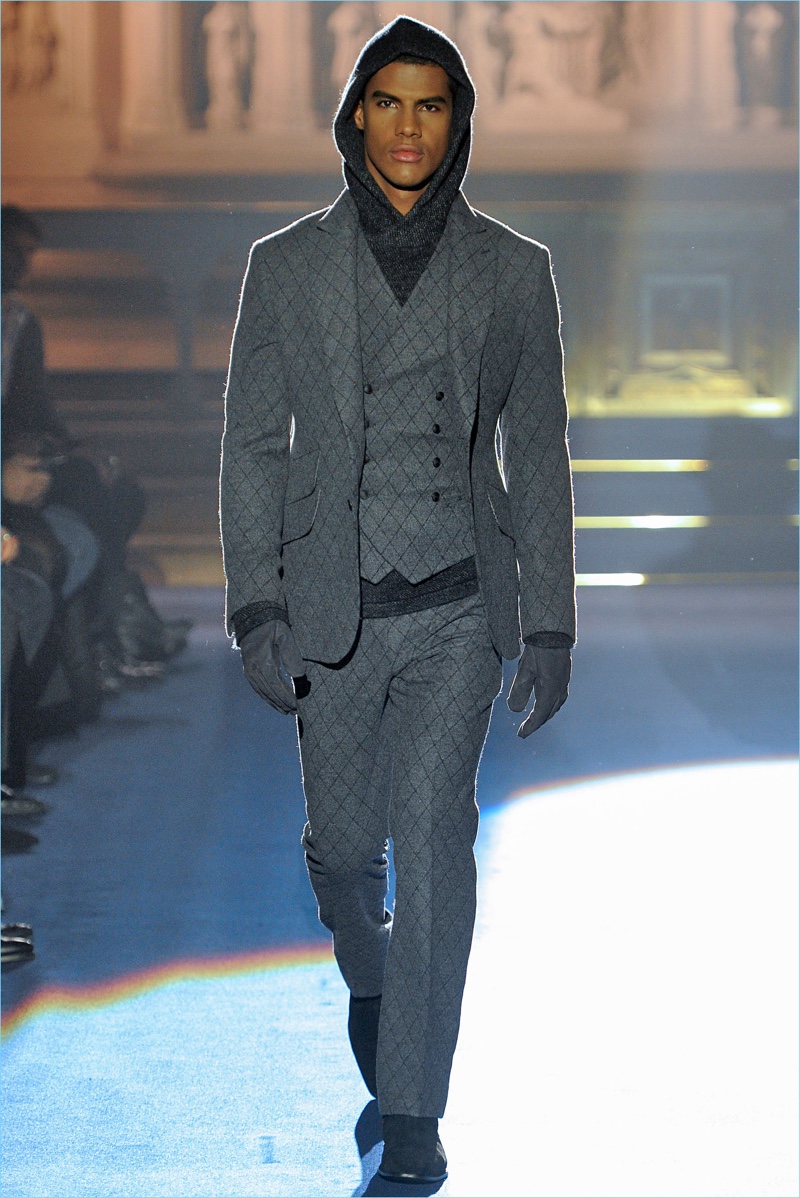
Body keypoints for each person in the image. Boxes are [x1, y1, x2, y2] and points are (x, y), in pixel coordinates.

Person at [220, 17, 575, 1185]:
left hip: (459, 608)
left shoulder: (512, 269)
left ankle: (412, 1112)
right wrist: (254, 604)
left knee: (432, 851)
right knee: (339, 855)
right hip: (332, 608)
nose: (408, 126)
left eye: (431, 104)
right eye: (388, 102)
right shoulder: (285, 265)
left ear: (457, 121)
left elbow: (538, 451)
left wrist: (550, 620)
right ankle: (372, 979)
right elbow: (252, 447)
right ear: (354, 117)